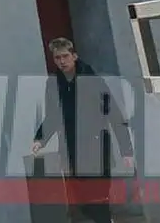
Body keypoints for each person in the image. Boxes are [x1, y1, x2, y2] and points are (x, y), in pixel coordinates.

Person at [31, 38, 135, 223]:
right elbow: (53, 115)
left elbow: (114, 113)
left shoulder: (92, 80)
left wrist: (126, 150)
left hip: (96, 148)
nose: (62, 61)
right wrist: (40, 139)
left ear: (74, 56)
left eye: (65, 56)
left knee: (99, 200)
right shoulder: (53, 84)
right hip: (72, 150)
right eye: (57, 58)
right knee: (84, 202)